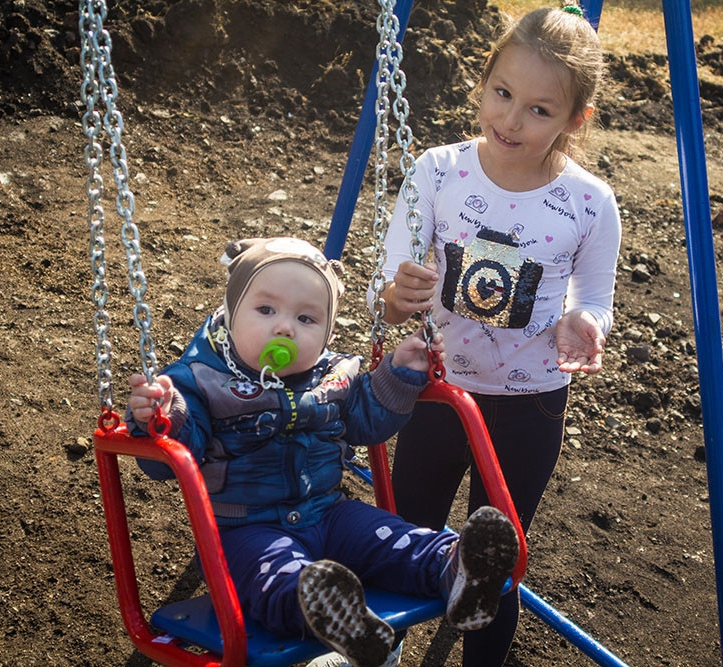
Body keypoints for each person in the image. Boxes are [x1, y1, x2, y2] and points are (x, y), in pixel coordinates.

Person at [126, 236, 520, 667]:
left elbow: (368, 422)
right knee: (274, 574)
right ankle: (326, 611)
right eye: (265, 310)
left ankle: (457, 568)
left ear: (327, 332)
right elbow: (168, 461)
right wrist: (162, 416)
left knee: (390, 538)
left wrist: (401, 372)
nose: (285, 328)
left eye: (306, 318)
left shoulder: (332, 376)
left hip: (330, 514)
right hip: (244, 530)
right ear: (231, 312)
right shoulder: (200, 381)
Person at [369, 5, 621, 665]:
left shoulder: (589, 202)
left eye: (539, 109)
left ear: (575, 119)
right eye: (502, 93)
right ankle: (384, 650)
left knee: (494, 563)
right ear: (482, 82)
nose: (510, 120)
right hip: (436, 394)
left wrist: (585, 323)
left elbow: (596, 299)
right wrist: (395, 296)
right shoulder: (438, 172)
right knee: (405, 539)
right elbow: (384, 295)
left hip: (529, 408)